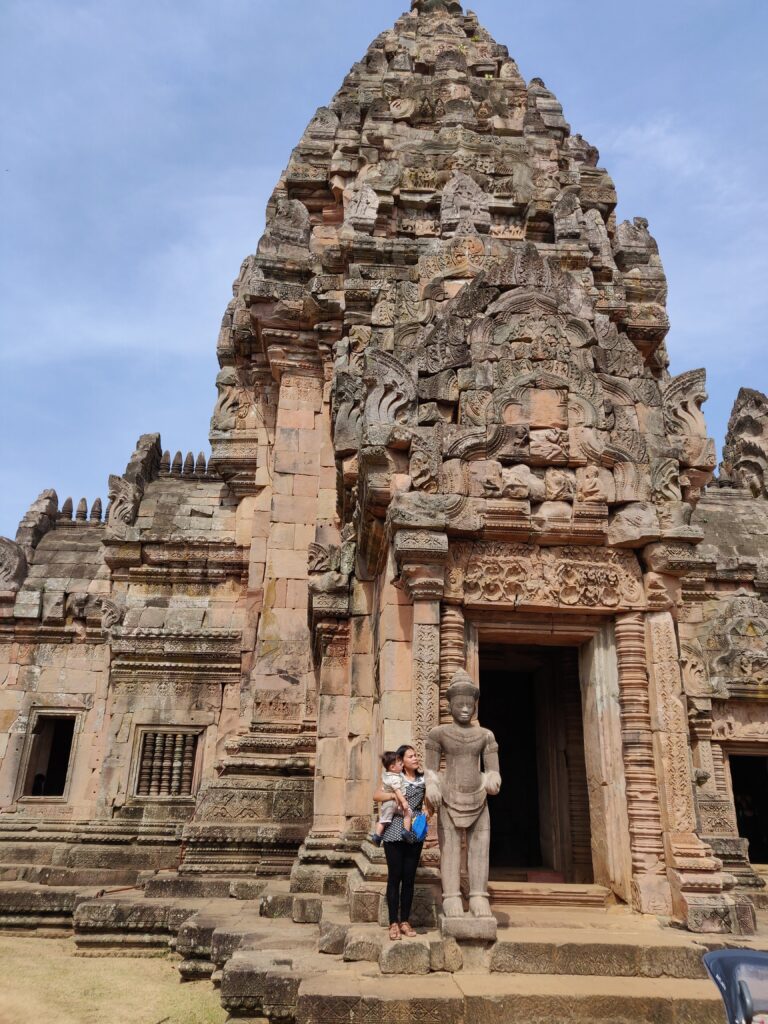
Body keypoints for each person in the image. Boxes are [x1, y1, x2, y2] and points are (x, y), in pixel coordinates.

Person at [373, 744, 429, 941]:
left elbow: (429, 802)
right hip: (394, 830)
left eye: (416, 755)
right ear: (402, 761)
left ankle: (405, 920)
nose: (415, 758)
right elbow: (376, 795)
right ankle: (393, 922)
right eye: (411, 756)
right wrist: (394, 797)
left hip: (414, 830)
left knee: (409, 878)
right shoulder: (394, 778)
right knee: (394, 876)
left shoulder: (423, 779)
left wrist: (428, 809)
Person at [369, 751, 412, 846]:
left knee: (383, 820)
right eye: (401, 764)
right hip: (395, 802)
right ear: (392, 767)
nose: (403, 765)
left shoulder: (387, 776)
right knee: (408, 813)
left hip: (389, 804)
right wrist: (403, 801)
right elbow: (396, 791)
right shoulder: (395, 777)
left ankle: (377, 836)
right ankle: (406, 831)